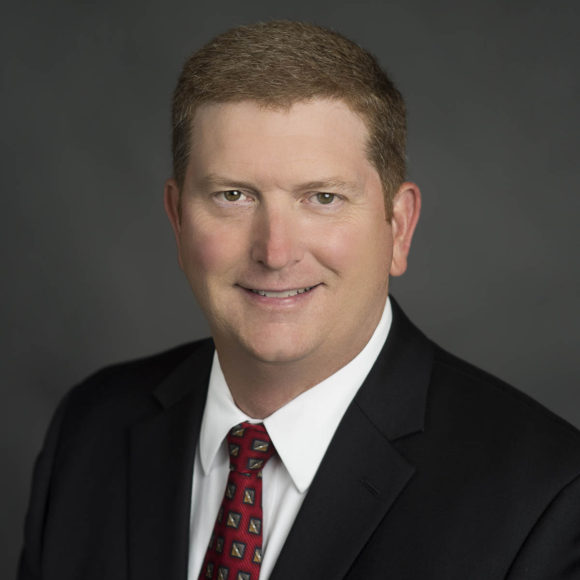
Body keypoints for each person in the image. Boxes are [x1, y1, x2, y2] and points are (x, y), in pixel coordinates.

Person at [18, 20, 580, 580]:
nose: (275, 251)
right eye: (233, 195)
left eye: (323, 198)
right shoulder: (90, 429)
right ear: (177, 219)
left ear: (399, 227)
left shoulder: (545, 497)